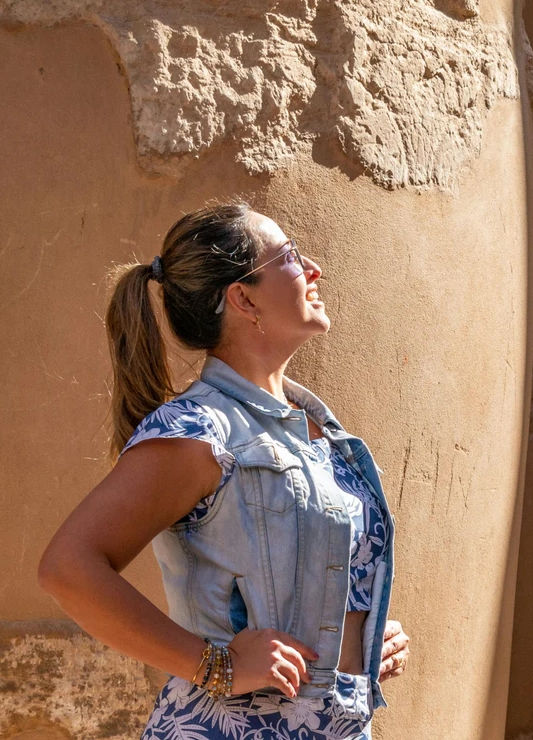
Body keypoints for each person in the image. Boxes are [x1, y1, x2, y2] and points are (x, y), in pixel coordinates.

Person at [38, 201, 410, 740]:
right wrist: (216, 667)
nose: (314, 269)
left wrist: (366, 641)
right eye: (290, 255)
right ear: (242, 297)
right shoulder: (200, 431)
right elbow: (67, 568)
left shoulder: (316, 430)